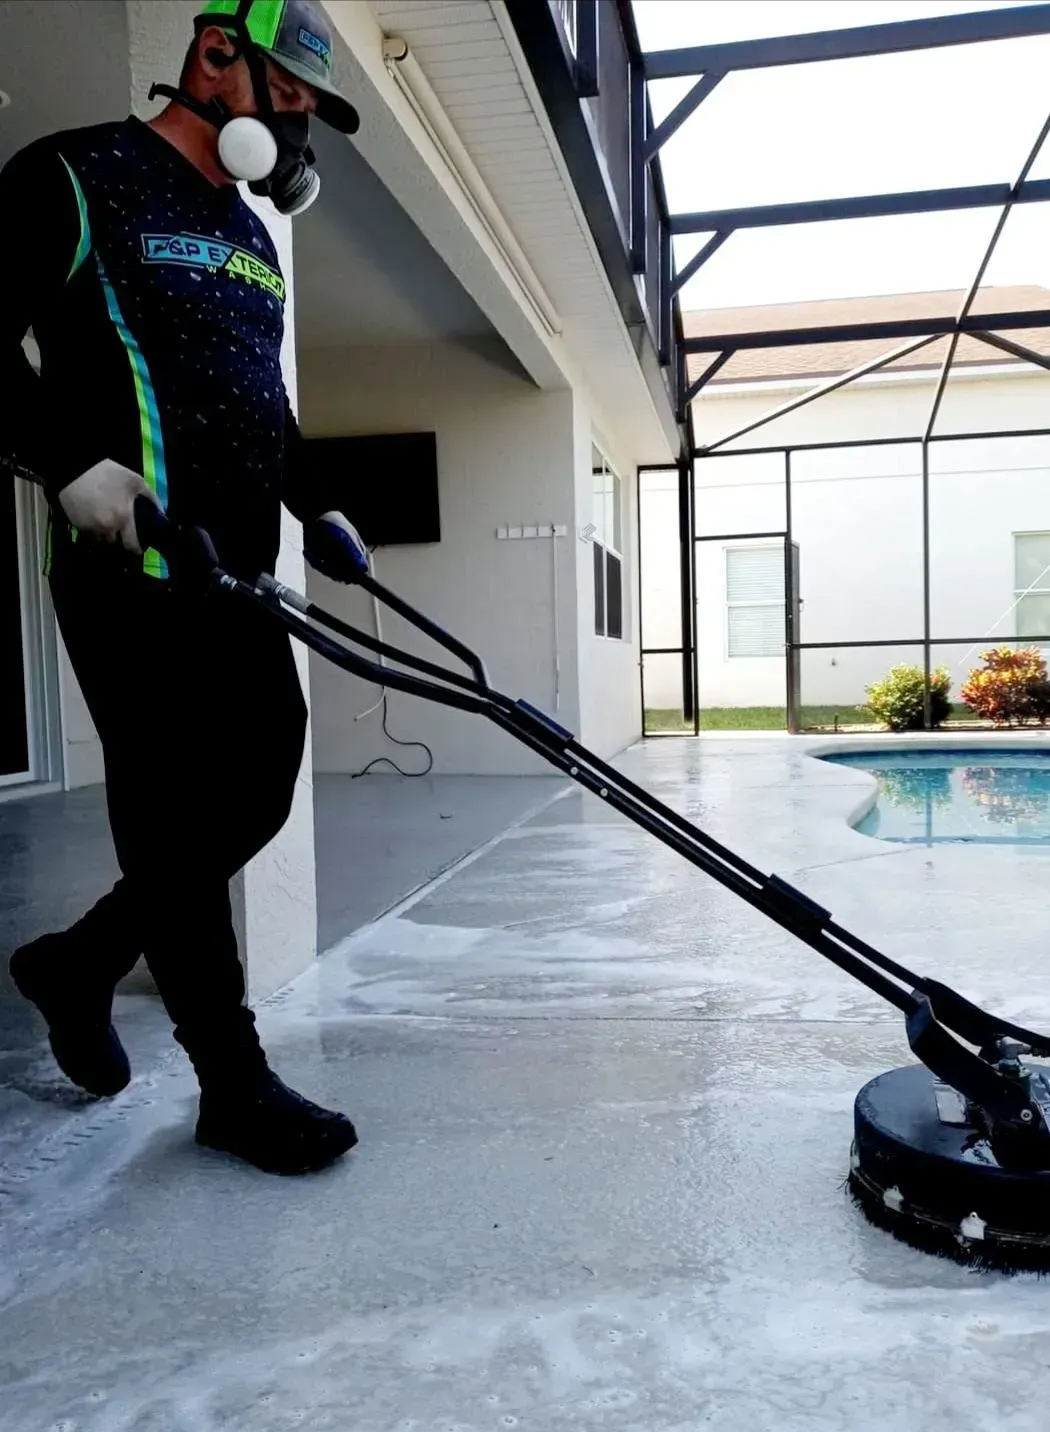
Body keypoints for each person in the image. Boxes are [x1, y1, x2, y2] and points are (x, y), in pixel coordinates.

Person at [0, 0, 370, 1175]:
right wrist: (63, 462)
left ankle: (78, 961)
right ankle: (232, 1083)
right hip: (131, 571)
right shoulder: (74, 174)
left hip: (237, 579)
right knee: (167, 815)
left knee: (258, 784)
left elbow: (261, 397)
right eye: (291, 96)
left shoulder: (253, 237)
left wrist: (319, 499)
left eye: (311, 108)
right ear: (215, 58)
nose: (300, 126)